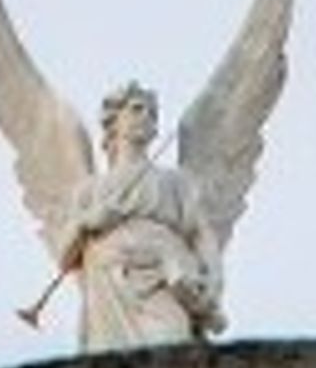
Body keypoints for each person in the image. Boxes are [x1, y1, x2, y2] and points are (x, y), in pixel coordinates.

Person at [60, 86, 222, 351]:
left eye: (152, 113)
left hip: (164, 279)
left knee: (173, 353)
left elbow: (201, 234)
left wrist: (214, 281)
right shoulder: (91, 190)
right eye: (136, 109)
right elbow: (65, 258)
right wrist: (87, 223)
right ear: (114, 121)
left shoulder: (174, 182)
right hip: (108, 286)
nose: (146, 117)